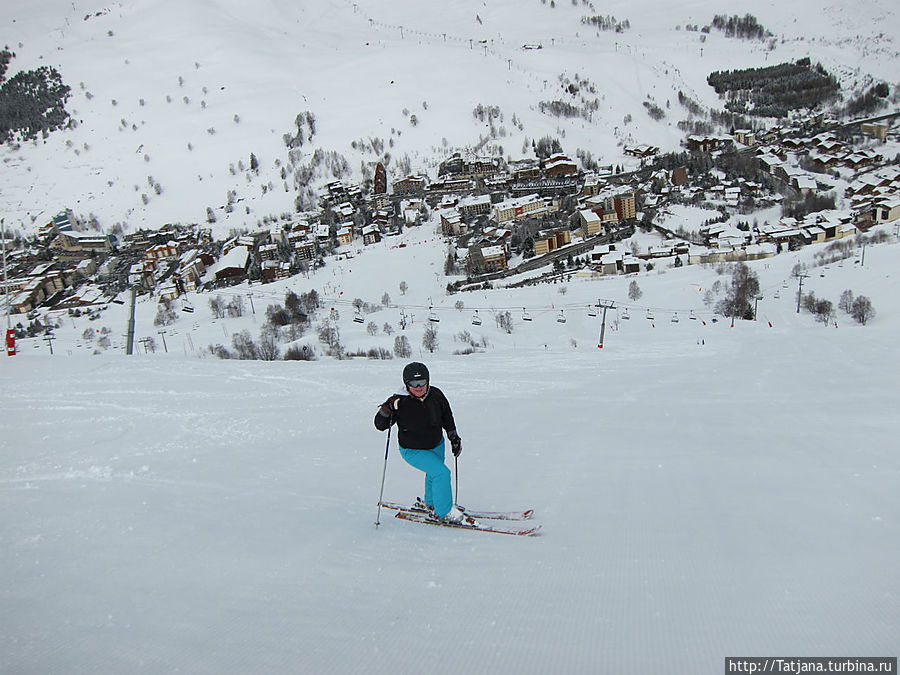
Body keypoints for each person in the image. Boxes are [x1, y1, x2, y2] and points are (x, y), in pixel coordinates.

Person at [374, 362, 466, 523]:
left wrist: (454, 438)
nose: (418, 387)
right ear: (406, 384)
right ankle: (443, 512)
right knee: (441, 473)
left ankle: (432, 503)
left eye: (422, 382)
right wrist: (387, 408)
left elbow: (447, 417)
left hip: (436, 444)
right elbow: (380, 425)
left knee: (434, 473)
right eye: (413, 384)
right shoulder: (399, 401)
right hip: (412, 449)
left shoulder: (436, 395)